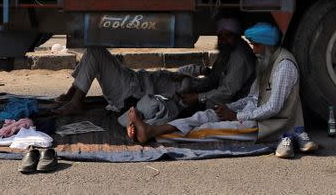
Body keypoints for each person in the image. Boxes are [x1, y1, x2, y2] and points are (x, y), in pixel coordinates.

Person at [126, 22, 319, 159]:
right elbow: (253, 97)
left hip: (266, 125)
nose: (253, 50)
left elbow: (273, 108)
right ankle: (149, 129)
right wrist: (229, 108)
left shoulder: (284, 66)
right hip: (250, 114)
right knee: (205, 115)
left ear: (267, 45)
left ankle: (151, 132)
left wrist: (237, 117)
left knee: (205, 130)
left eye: (256, 45)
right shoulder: (265, 61)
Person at [54, 18, 255, 117]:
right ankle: (73, 94)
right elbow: (212, 82)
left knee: (96, 52)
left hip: (130, 90)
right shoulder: (228, 52)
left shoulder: (239, 58)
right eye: (220, 35)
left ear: (236, 36)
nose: (222, 39)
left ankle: (76, 99)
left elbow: (226, 92)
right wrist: (197, 78)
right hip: (133, 79)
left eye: (227, 36)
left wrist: (195, 95)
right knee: (95, 51)